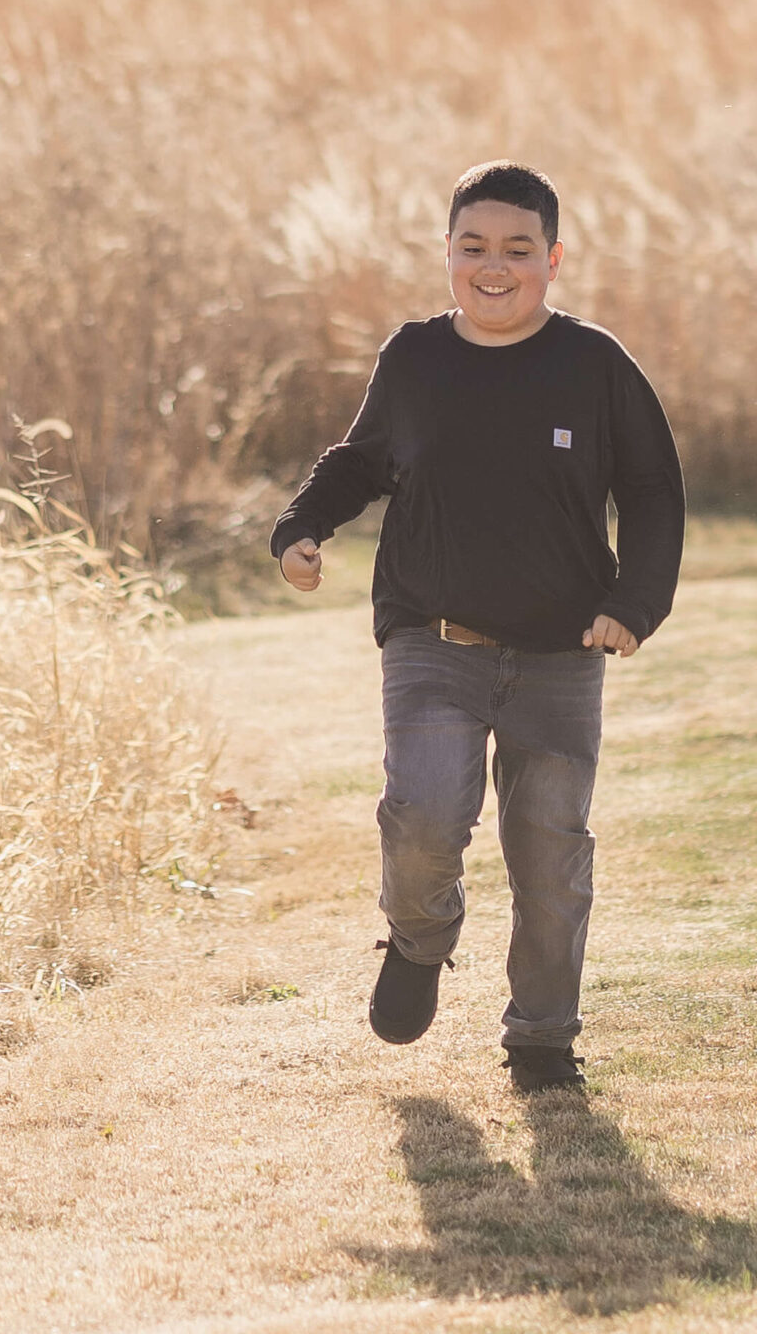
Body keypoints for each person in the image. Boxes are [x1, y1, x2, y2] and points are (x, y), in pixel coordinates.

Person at [271, 160, 685, 1092]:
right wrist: (300, 528)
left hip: (562, 653)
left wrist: (633, 605)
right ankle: (420, 938)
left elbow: (654, 492)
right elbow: (361, 460)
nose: (494, 267)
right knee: (422, 816)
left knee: (550, 849)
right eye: (473, 248)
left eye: (517, 249)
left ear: (553, 258)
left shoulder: (595, 365)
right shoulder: (416, 359)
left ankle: (542, 1039)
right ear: (447, 254)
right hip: (433, 639)